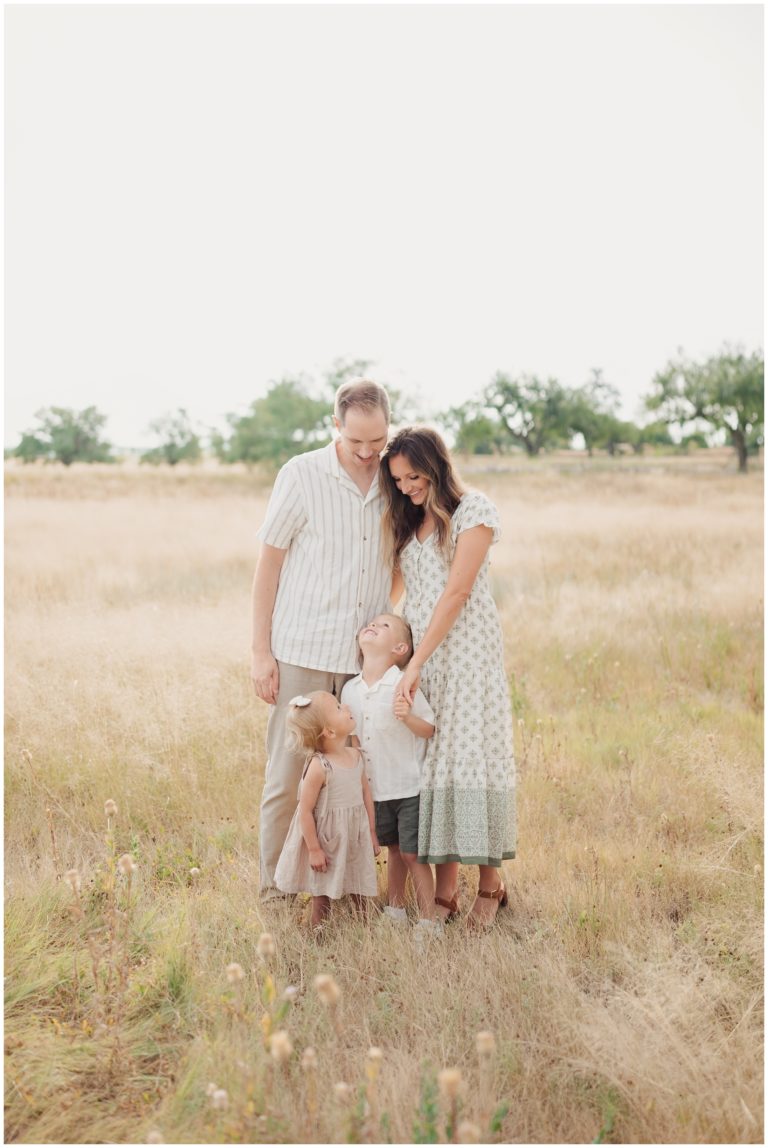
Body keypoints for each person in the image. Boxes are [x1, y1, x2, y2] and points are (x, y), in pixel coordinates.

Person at [252, 379, 392, 899]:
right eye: (356, 441)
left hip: (363, 667)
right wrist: (260, 651)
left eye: (376, 441)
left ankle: (342, 891)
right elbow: (269, 564)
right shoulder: (301, 474)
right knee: (288, 781)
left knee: (355, 784)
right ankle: (275, 893)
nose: (366, 452)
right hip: (302, 655)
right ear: (336, 426)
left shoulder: (392, 479)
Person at [379, 426, 516, 930]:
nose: (407, 486)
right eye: (398, 480)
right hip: (426, 663)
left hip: (467, 660)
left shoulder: (472, 511)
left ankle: (491, 884)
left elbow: (456, 594)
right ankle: (445, 890)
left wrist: (413, 664)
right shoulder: (410, 523)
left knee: (470, 764)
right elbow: (399, 591)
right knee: (436, 773)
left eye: (414, 476)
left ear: (436, 467)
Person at [341, 613, 441, 942]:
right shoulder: (350, 690)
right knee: (394, 850)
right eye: (371, 623)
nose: (372, 625)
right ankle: (396, 909)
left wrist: (407, 716)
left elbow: (429, 729)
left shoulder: (401, 682)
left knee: (413, 854)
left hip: (407, 785)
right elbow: (353, 740)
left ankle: (429, 922)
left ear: (399, 647)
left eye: (383, 626)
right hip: (376, 788)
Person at [274, 692, 380, 930]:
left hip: (355, 834)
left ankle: (364, 930)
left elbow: (366, 795)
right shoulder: (319, 766)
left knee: (359, 882)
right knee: (321, 892)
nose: (348, 706)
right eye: (340, 707)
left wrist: (372, 832)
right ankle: (318, 932)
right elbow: (305, 810)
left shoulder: (355, 756)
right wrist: (313, 849)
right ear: (330, 732)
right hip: (328, 839)